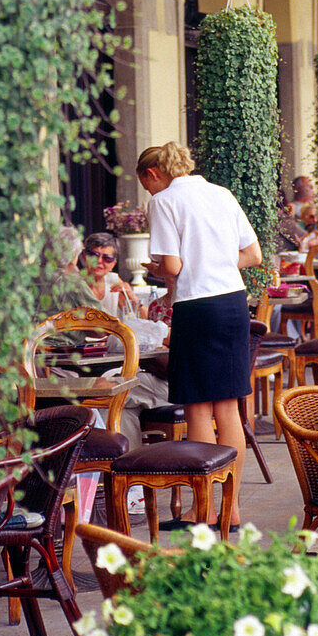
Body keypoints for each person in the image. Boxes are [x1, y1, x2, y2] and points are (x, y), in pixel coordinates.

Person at [137, 141, 262, 529]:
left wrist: (157, 268)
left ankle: (203, 509)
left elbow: (172, 266)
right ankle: (231, 509)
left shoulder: (164, 201)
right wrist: (217, 263)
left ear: (153, 174)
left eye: (146, 186)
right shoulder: (221, 193)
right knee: (228, 410)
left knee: (197, 408)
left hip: (197, 308)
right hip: (233, 304)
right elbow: (253, 255)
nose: (149, 194)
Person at [82, 232, 143, 317]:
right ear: (85, 257)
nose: (99, 261)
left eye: (106, 258)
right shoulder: (74, 283)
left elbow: (143, 318)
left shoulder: (113, 280)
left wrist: (133, 297)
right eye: (94, 255)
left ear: (113, 264)